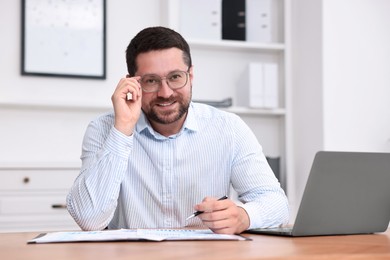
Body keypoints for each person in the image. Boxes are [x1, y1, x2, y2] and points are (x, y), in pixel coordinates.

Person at [66, 26, 289, 235]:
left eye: (175, 77)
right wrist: (123, 128)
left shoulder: (228, 128)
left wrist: (244, 216)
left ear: (190, 76)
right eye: (151, 81)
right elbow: (89, 219)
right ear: (132, 84)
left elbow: (276, 202)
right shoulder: (104, 129)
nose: (165, 92)